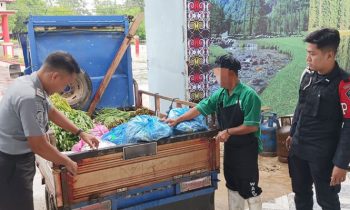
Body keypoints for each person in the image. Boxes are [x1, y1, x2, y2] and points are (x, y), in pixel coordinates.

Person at [0, 51, 100, 210]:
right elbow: (38, 145)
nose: (63, 90)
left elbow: (51, 111)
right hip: (12, 165)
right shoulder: (29, 97)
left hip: (15, 158)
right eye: (65, 85)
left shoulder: (30, 82)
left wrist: (80, 133)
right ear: (54, 76)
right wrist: (66, 161)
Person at [165, 54, 263, 210]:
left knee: (249, 187)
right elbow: (200, 108)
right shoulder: (220, 95)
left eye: (218, 74)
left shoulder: (249, 96)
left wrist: (228, 131)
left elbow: (251, 126)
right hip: (231, 149)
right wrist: (178, 120)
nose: (216, 78)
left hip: (246, 150)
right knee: (232, 184)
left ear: (230, 73)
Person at [286, 28, 350, 210]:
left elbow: (349, 127)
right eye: (308, 53)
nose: (308, 58)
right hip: (299, 150)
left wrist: (341, 163)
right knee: (301, 195)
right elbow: (301, 105)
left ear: (329, 55)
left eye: (312, 54)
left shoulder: (344, 85)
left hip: (323, 157)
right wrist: (293, 132)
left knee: (327, 202)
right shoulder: (308, 75)